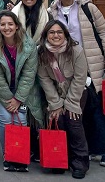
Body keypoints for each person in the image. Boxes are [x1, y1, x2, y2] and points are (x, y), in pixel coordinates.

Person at [48, 0, 105, 168]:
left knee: (97, 108)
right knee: (77, 109)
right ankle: (84, 149)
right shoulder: (52, 11)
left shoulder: (88, 8)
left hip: (91, 63)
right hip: (67, 66)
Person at [0, 11, 44, 172]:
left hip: (24, 91)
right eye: (3, 24)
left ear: (17, 26)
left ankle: (20, 157)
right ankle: (8, 156)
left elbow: (29, 74)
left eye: (10, 24)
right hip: (0, 90)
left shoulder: (29, 45)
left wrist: (18, 99)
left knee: (21, 120)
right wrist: (9, 99)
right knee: (5, 118)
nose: (6, 27)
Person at [38, 20, 90, 179]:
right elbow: (44, 78)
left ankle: (80, 161)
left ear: (65, 34)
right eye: (52, 32)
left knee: (73, 122)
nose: (56, 35)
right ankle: (59, 159)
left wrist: (70, 103)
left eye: (59, 32)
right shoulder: (42, 52)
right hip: (55, 95)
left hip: (76, 93)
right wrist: (55, 104)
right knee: (58, 120)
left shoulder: (76, 50)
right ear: (46, 35)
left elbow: (80, 78)